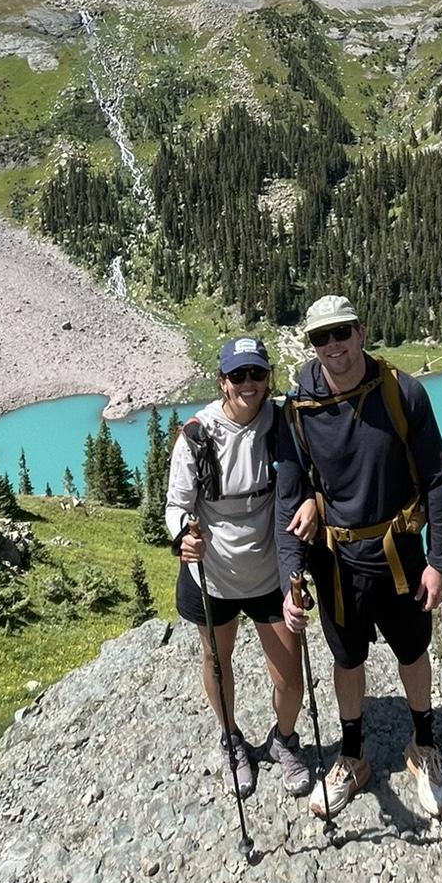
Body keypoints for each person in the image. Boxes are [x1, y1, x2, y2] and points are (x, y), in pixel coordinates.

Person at [276, 294, 442, 820]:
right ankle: (353, 758)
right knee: (346, 658)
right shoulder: (300, 409)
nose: (333, 346)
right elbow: (291, 494)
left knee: (412, 650)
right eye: (320, 337)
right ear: (312, 344)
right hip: (336, 563)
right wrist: (292, 573)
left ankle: (423, 746)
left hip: (399, 553)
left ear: (360, 332)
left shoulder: (403, 393)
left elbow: (438, 478)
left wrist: (439, 560)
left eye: (342, 333)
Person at [166, 335, 316, 799]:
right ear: (222, 382)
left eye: (257, 373)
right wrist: (182, 538)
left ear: (267, 377)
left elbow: (315, 473)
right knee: (216, 661)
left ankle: (284, 740)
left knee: (290, 676)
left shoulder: (285, 423)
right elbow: (176, 505)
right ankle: (231, 738)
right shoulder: (197, 435)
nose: (249, 383)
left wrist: (313, 500)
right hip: (211, 575)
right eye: (238, 375)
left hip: (271, 572)